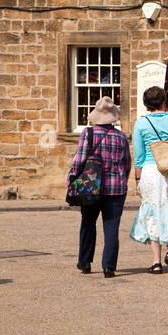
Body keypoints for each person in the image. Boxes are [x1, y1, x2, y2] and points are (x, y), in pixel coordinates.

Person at [66, 97, 132, 278]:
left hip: (90, 186)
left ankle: (85, 261)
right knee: (111, 227)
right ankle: (109, 266)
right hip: (116, 188)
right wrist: (122, 180)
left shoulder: (88, 133)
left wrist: (71, 179)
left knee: (88, 223)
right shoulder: (121, 136)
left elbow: (79, 160)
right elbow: (127, 163)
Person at [130, 86, 168, 274]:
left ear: (146, 104)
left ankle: (156, 262)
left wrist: (137, 179)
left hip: (149, 170)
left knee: (153, 212)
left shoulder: (141, 123)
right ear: (164, 101)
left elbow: (139, 155)